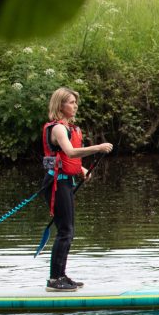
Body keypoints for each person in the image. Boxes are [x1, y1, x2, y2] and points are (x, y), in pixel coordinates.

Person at [41, 87, 114, 292]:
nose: (75, 106)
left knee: (68, 231)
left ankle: (61, 275)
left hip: (65, 181)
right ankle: (55, 280)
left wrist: (81, 169)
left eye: (75, 102)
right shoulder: (57, 129)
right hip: (56, 184)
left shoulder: (68, 127)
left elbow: (65, 158)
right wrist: (97, 148)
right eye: (71, 102)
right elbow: (71, 152)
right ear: (60, 105)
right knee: (65, 231)